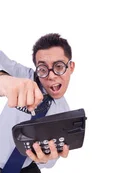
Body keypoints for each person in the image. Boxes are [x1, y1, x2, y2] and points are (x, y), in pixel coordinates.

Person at [0, 33, 75, 173]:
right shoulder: (25, 77)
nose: (51, 76)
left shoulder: (64, 113)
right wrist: (3, 79)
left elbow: (50, 161)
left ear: (71, 67)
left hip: (26, 168)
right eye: (43, 69)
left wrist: (45, 159)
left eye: (59, 67)